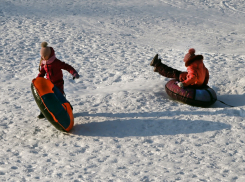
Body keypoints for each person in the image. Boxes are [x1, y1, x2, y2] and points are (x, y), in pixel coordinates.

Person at [36, 42, 80, 119]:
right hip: (49, 84)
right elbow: (42, 72)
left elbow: (67, 66)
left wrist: (74, 73)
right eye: (42, 57)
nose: (42, 58)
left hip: (58, 84)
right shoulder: (44, 64)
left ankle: (68, 108)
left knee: (60, 98)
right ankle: (43, 112)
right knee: (47, 99)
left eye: (44, 56)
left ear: (48, 55)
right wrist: (37, 80)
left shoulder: (56, 62)